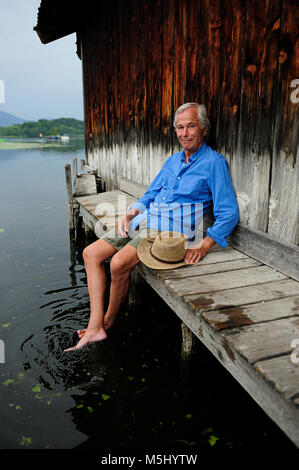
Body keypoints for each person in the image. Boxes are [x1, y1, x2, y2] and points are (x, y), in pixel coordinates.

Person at [64, 103, 239, 351]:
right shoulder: (172, 162)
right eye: (180, 127)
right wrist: (130, 213)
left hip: (169, 230)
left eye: (191, 126)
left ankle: (107, 322)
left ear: (204, 129)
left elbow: (228, 212)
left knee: (117, 263)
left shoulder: (213, 163)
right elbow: (150, 194)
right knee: (90, 253)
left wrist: (206, 244)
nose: (184, 133)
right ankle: (95, 325)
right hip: (144, 221)